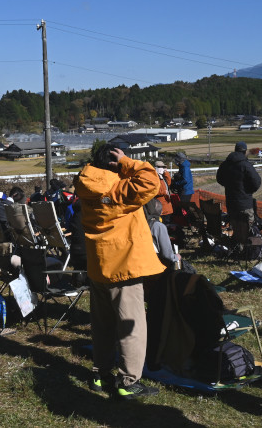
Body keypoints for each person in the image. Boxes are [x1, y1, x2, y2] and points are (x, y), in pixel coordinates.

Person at [73, 143, 165, 399]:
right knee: (131, 327)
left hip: (99, 265)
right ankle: (128, 381)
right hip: (124, 267)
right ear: (115, 161)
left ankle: (101, 375)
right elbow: (151, 182)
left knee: (102, 326)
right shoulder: (118, 186)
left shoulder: (87, 181)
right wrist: (128, 162)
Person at [216, 141, 262, 225]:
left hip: (230, 202)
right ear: (245, 151)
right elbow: (256, 182)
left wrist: (228, 185)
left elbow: (219, 178)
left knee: (235, 228)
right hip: (245, 204)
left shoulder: (225, 164)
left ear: (235, 150)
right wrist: (247, 191)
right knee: (247, 229)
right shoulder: (246, 165)